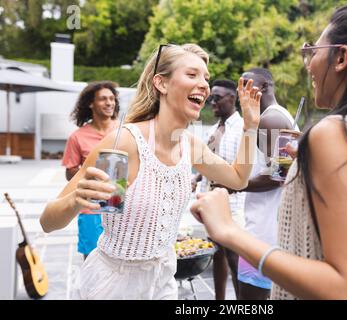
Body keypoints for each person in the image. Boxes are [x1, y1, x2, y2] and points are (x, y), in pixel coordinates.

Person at [190, 2, 347, 299]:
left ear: (340, 57)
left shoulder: (336, 134)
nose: (308, 64)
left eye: (313, 52)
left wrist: (228, 231)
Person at [40, 43, 262, 300]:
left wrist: (251, 127)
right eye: (192, 75)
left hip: (163, 282)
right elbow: (47, 222)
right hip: (112, 286)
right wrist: (75, 199)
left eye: (206, 77)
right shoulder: (125, 142)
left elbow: (238, 178)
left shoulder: (189, 144)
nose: (204, 84)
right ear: (162, 84)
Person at [234, 68, 298, 300]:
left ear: (263, 87)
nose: (241, 92)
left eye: (246, 86)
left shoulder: (270, 119)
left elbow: (276, 176)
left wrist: (233, 184)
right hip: (271, 229)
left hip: (265, 233)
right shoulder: (272, 117)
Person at [191, 79, 246, 300]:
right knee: (217, 254)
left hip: (234, 204)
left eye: (216, 98)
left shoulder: (244, 129)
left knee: (234, 257)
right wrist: (197, 177)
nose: (211, 101)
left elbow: (247, 169)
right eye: (210, 98)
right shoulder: (213, 130)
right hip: (211, 201)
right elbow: (210, 163)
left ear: (232, 99)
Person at [61, 81, 120, 260]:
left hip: (121, 202)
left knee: (121, 258)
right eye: (103, 99)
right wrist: (90, 172)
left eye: (112, 98)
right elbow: (70, 171)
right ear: (90, 103)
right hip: (91, 208)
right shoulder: (77, 137)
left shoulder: (124, 130)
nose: (109, 103)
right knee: (92, 259)